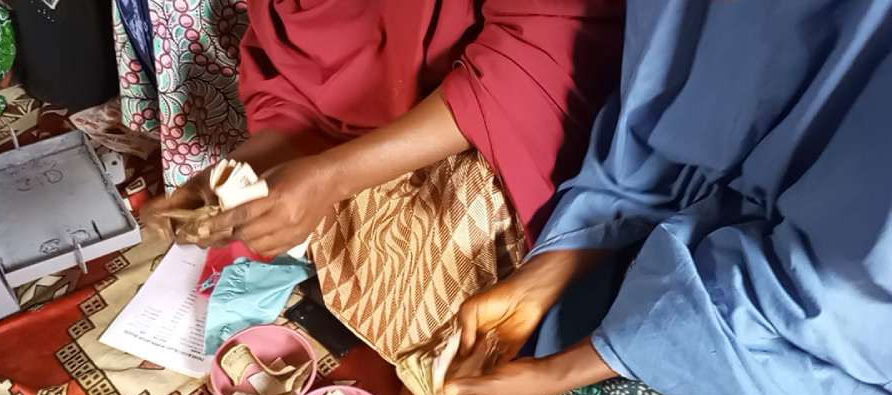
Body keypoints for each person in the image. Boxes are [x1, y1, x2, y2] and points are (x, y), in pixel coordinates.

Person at [405, 1, 892, 395]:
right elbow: (651, 137)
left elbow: (840, 297)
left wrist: (569, 367)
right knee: (499, 280)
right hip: (699, 238)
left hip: (834, 343)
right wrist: (546, 277)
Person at [141, 0, 624, 374]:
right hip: (369, 150)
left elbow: (538, 53)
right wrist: (238, 180)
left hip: (493, 132)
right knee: (344, 244)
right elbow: (296, 87)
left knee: (474, 304)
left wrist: (334, 176)